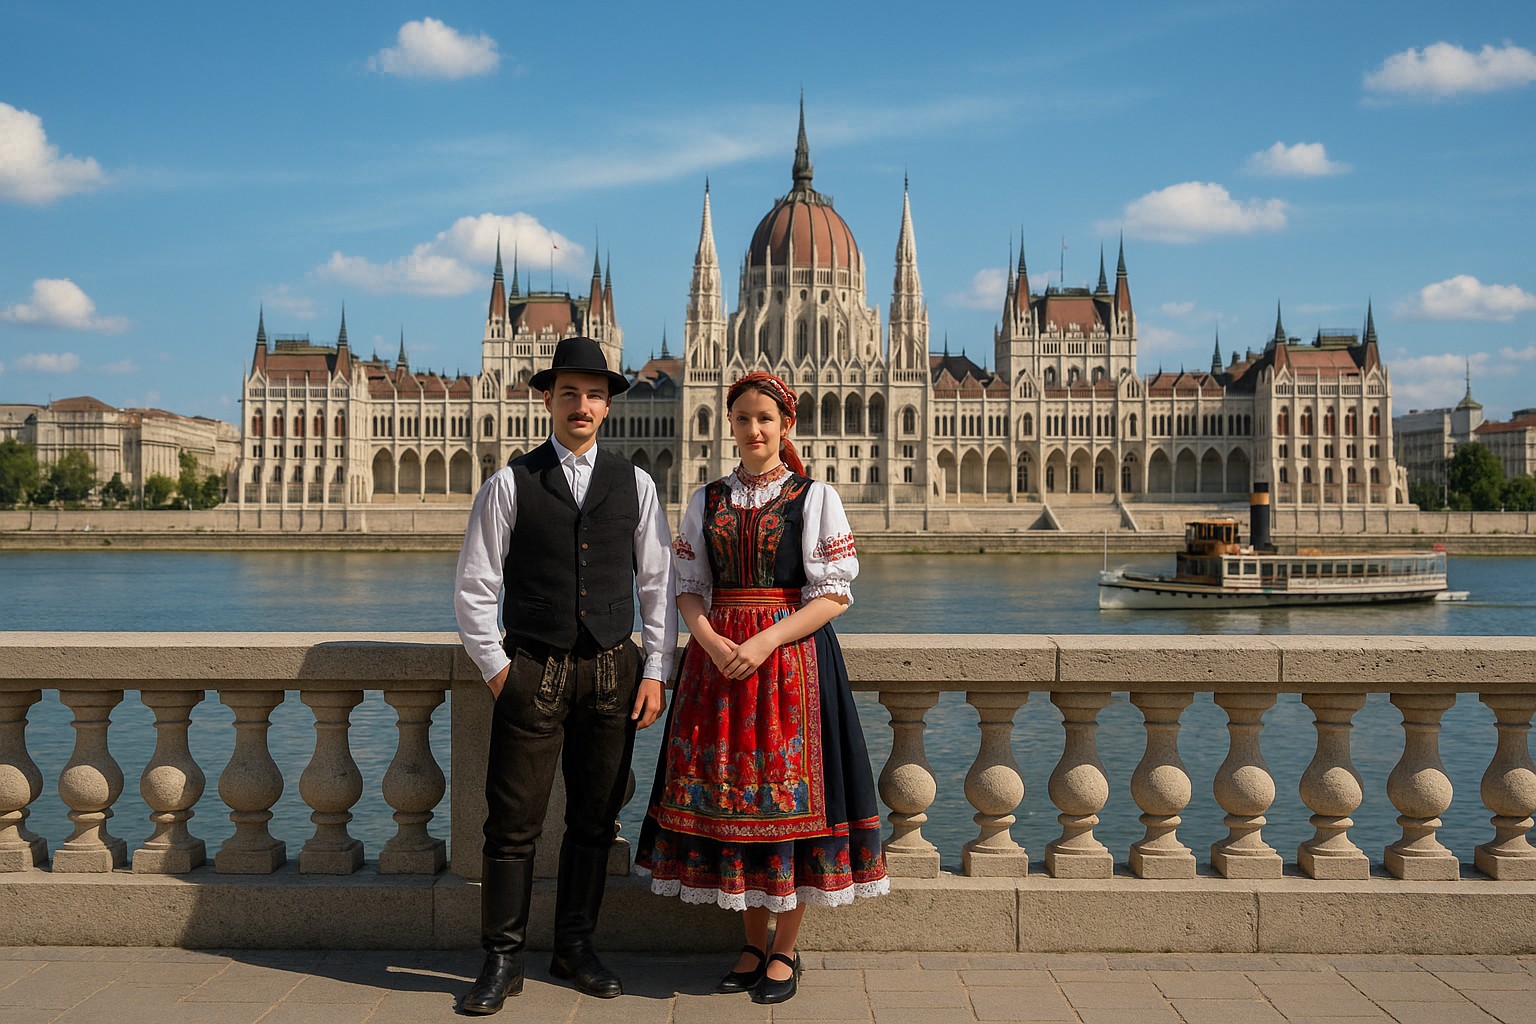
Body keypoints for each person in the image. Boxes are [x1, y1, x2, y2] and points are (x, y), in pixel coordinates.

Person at [634, 371, 889, 1005]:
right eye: (743, 418)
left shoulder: (815, 497)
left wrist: (765, 640)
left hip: (790, 665)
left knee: (791, 803)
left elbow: (833, 594)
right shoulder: (706, 499)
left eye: (765, 419)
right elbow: (687, 588)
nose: (753, 429)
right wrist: (714, 642)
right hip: (717, 664)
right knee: (734, 805)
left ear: (786, 426)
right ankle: (752, 942)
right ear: (730, 424)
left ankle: (785, 949)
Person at [454, 335, 675, 1015]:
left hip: (614, 673)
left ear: (609, 407)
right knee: (511, 824)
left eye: (595, 394)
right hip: (534, 673)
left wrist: (656, 670)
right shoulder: (509, 483)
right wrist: (499, 673)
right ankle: (502, 959)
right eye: (570, 393)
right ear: (547, 399)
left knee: (594, 819)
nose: (582, 405)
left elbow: (659, 585)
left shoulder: (635, 483)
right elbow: (474, 588)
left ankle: (574, 946)